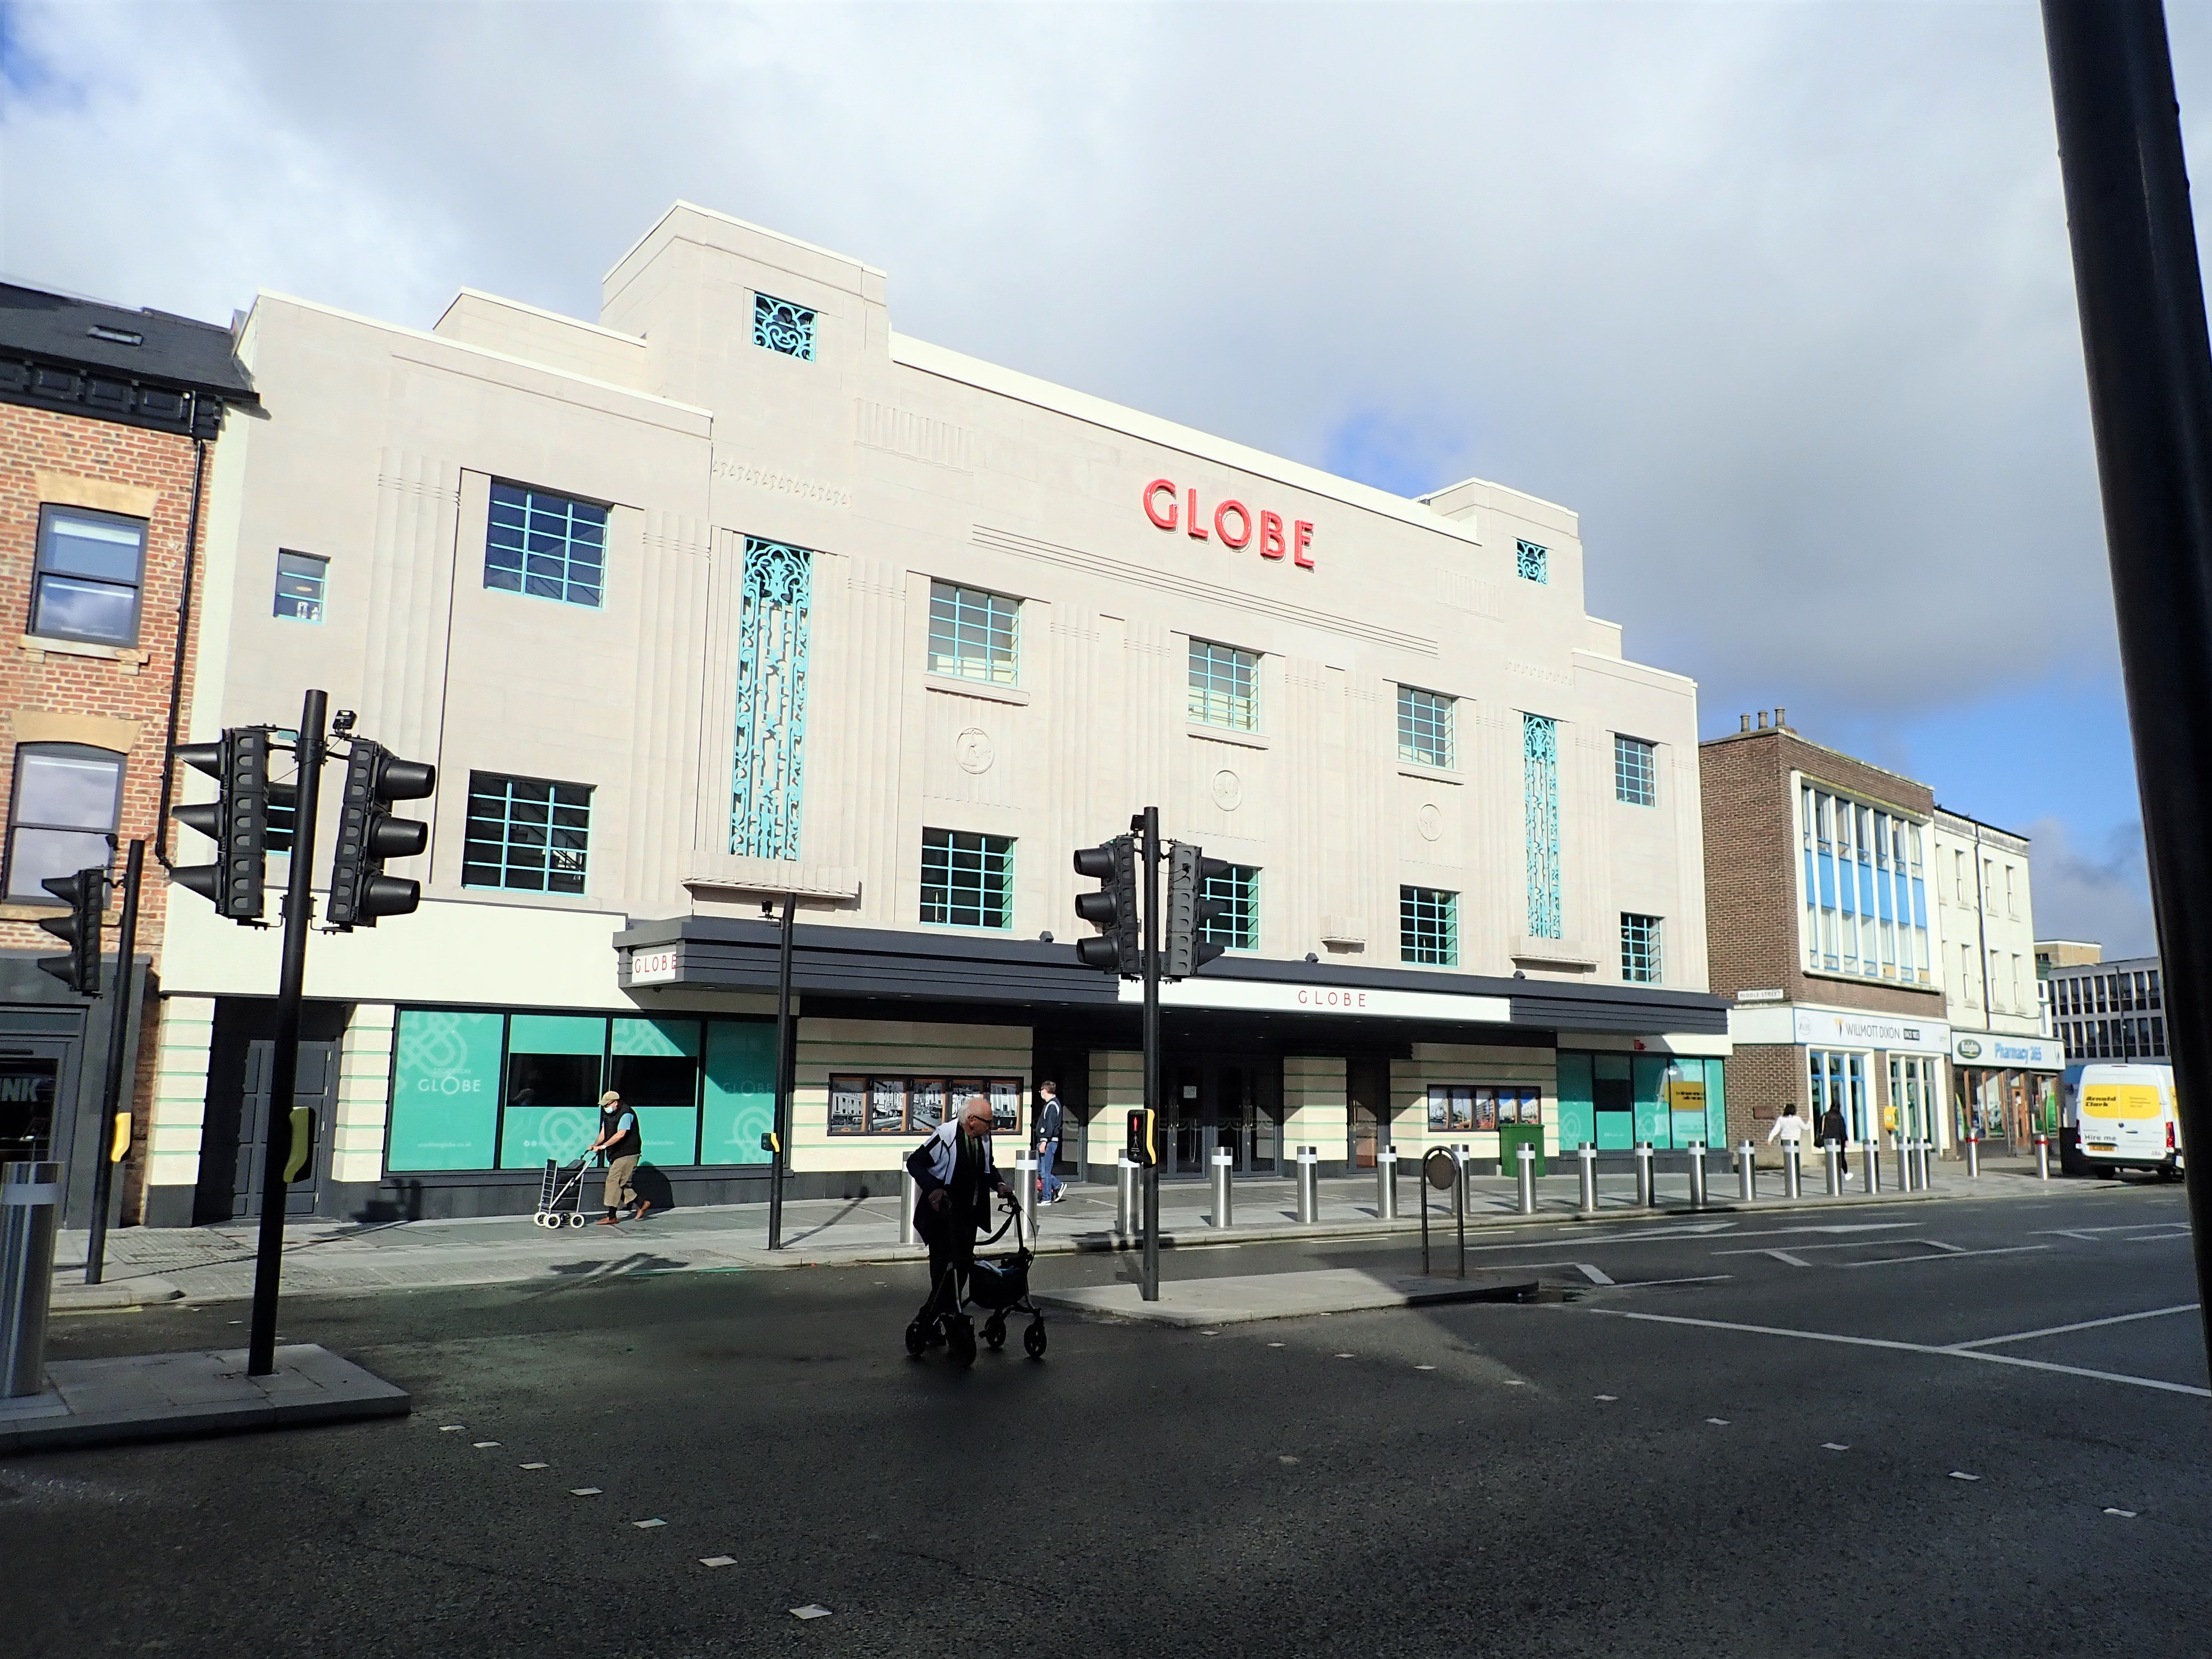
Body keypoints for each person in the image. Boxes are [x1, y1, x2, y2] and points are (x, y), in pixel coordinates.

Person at [906, 1093, 1015, 1322]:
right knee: (943, 1273)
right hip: (942, 1215)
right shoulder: (945, 1135)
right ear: (973, 1120)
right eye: (989, 1122)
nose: (992, 1126)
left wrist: (1000, 1184)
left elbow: (987, 1168)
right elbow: (914, 1162)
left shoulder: (984, 1138)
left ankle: (944, 1318)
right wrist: (933, 1189)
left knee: (962, 1269)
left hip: (968, 1215)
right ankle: (928, 1320)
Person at [587, 1089, 651, 1225]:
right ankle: (642, 1203)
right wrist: (595, 1145)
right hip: (616, 1153)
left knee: (613, 1181)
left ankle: (612, 1216)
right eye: (604, 1106)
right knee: (619, 1183)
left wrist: (603, 1147)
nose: (605, 1108)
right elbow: (604, 1133)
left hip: (628, 1152)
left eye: (607, 1105)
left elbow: (621, 1134)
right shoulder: (609, 1115)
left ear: (615, 1103)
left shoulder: (626, 1113)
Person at [1032, 1080, 1065, 1205]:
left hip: (1049, 1142)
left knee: (1045, 1171)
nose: (1041, 1093)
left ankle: (1047, 1197)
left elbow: (1050, 1126)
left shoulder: (1052, 1106)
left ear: (1045, 1091)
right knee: (1041, 1170)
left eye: (1041, 1091)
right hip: (1047, 1141)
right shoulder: (1051, 1104)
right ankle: (1057, 1185)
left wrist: (1044, 1141)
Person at [1765, 1102, 1806, 1166]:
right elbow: (1805, 1128)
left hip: (1784, 1140)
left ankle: (1789, 1168)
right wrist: (1810, 1122)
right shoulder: (1797, 1119)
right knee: (1794, 1156)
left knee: (1787, 1156)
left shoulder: (1781, 1119)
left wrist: (1770, 1139)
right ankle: (1793, 1169)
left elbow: (1776, 1129)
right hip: (1794, 1140)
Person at [1818, 1099, 1850, 1175]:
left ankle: (1831, 1173)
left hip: (1828, 1140)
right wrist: (1845, 1139)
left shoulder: (1825, 1116)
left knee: (1830, 1157)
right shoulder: (1840, 1117)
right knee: (1841, 1157)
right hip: (1839, 1140)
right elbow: (1843, 1130)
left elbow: (1820, 1128)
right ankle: (1845, 1173)